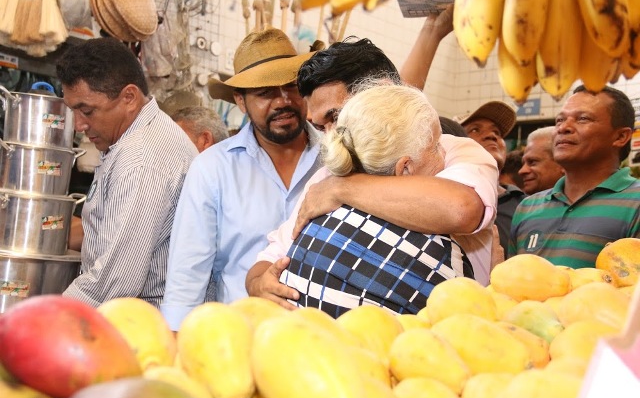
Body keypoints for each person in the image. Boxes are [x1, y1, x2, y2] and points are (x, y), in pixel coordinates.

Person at [245, 38, 499, 311]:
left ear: (382, 92)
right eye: (320, 126)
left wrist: (340, 190)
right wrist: (259, 284)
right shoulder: (327, 177)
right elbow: (271, 256)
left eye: (336, 116)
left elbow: (461, 208)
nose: (331, 136)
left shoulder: (449, 151)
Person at [160, 28, 323, 331]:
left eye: (292, 86)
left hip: (321, 341)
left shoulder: (336, 160)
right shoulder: (212, 169)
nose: (283, 101)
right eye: (265, 93)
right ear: (241, 101)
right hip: (238, 341)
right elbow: (188, 275)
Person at [281, 83, 475, 316]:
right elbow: (465, 338)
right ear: (405, 169)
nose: (445, 155)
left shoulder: (311, 224)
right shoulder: (439, 255)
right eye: (435, 146)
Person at [56, 37, 198, 307]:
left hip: (144, 325)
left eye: (87, 111)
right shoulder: (131, 139)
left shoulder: (142, 159)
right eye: (73, 111)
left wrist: (49, 316)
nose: (79, 126)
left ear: (129, 98)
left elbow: (114, 281)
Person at [510, 85, 640, 268]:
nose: (564, 127)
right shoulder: (528, 207)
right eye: (559, 120)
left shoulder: (636, 202)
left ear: (620, 136)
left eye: (583, 119)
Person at [460, 101, 526, 259]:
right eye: (475, 129)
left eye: (497, 132)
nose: (492, 136)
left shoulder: (526, 206)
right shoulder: (437, 199)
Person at [519, 126, 565, 194]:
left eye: (532, 162)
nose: (521, 171)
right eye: (523, 163)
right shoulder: (525, 204)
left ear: (563, 163)